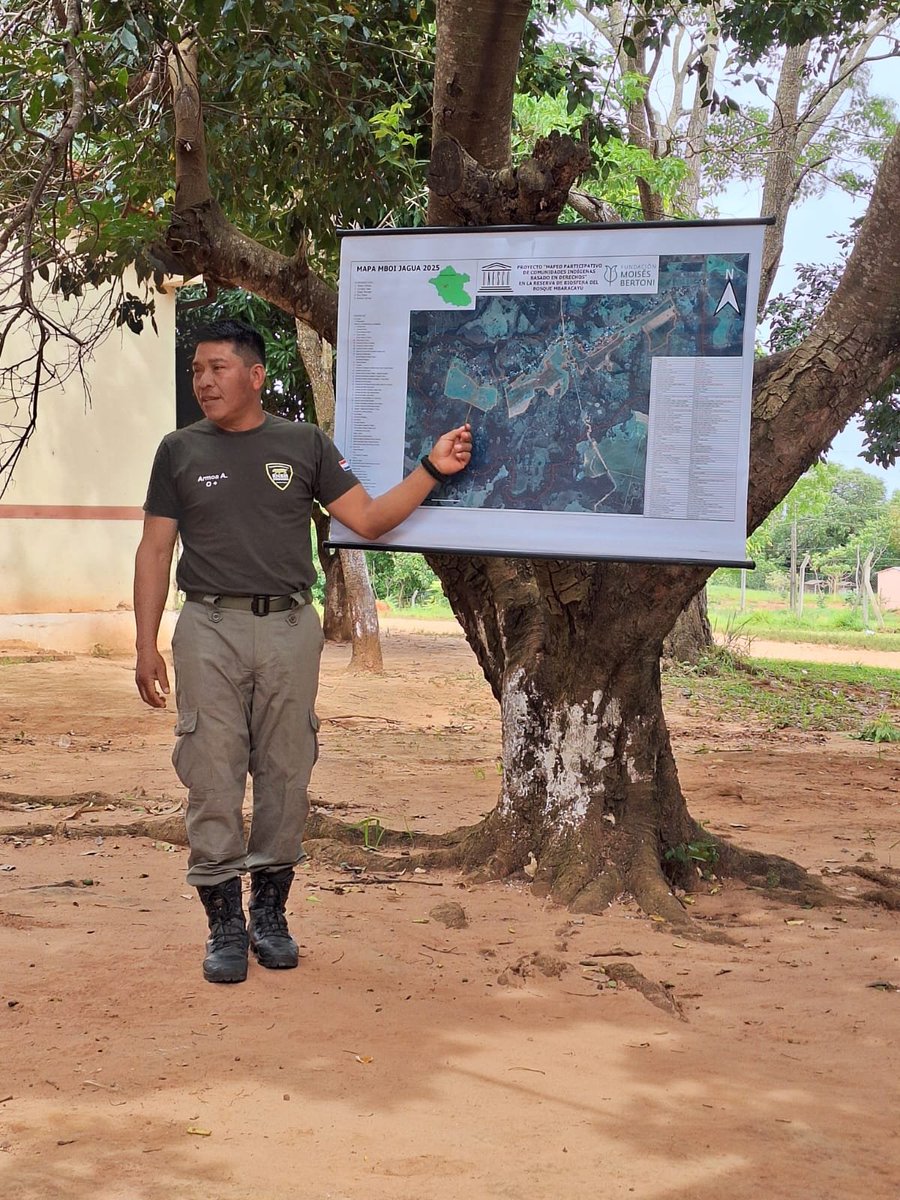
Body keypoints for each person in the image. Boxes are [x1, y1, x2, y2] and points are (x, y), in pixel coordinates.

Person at [134, 318, 471, 984]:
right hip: (208, 626)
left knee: (287, 771)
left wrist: (432, 468)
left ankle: (272, 914)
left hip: (289, 629)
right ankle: (224, 923)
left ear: (256, 376)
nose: (204, 381)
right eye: (197, 370)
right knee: (211, 770)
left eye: (219, 368)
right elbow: (154, 549)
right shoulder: (179, 451)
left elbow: (369, 519)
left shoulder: (304, 444)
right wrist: (144, 643)